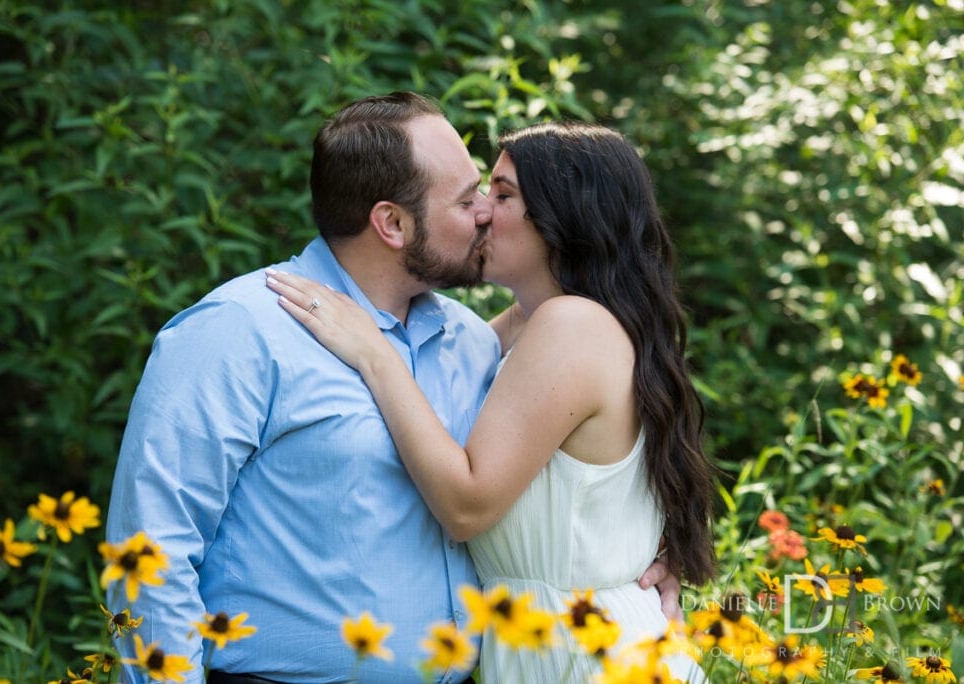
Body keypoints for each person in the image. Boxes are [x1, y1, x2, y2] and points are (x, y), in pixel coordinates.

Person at [105, 94, 679, 683]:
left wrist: (637, 558)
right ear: (394, 223)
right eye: (468, 198)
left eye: (494, 193)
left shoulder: (470, 342)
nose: (484, 212)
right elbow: (151, 548)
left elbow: (588, 452)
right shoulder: (240, 330)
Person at [266, 121, 716, 682]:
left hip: (586, 657)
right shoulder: (530, 327)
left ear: (562, 219)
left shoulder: (571, 325)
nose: (480, 210)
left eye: (502, 195)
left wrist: (371, 351)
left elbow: (467, 505)